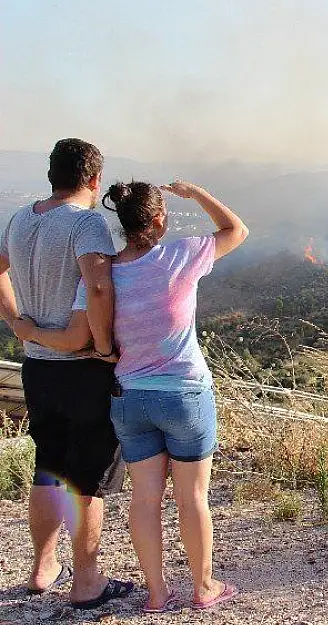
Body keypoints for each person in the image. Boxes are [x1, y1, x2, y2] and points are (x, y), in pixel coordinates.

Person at [14, 180, 248, 613]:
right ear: (159, 220)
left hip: (130, 398)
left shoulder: (102, 274)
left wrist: (37, 333)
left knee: (144, 498)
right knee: (192, 496)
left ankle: (156, 594)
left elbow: (88, 324)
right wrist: (195, 192)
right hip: (185, 394)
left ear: (120, 222)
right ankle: (203, 588)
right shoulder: (181, 256)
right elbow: (236, 229)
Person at [0, 139, 135, 609]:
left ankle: (41, 568)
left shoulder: (21, 219)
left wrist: (19, 324)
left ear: (51, 176)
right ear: (94, 180)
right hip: (82, 370)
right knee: (87, 477)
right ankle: (88, 582)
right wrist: (102, 347)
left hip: (38, 367)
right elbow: (98, 286)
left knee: (49, 467)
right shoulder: (86, 221)